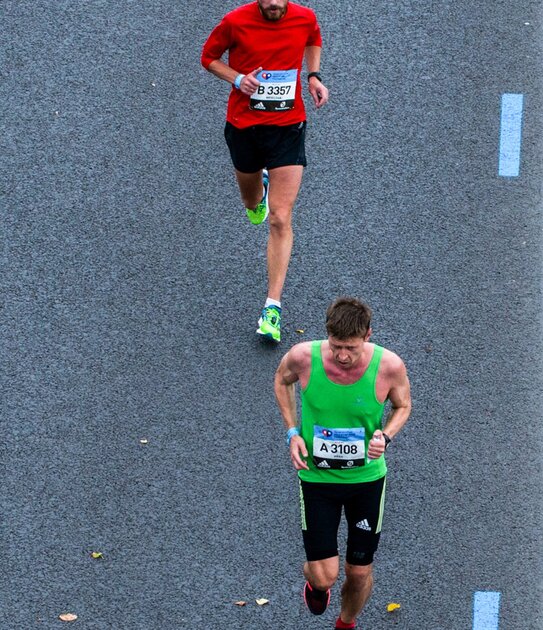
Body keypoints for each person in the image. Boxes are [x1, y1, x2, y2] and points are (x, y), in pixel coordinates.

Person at [273, 298, 412, 629]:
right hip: (317, 479)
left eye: (350, 347)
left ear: (367, 336)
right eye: (336, 347)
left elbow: (403, 405)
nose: (343, 356)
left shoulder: (389, 367)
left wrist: (386, 436)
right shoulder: (303, 358)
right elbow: (281, 380)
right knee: (325, 576)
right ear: (327, 336)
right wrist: (292, 431)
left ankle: (346, 623)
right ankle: (316, 585)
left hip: (366, 481)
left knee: (359, 571)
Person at [201, 0, 330, 342]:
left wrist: (314, 75)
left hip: (287, 127)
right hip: (244, 126)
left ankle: (272, 308)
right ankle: (257, 193)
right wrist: (238, 78)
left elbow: (313, 37)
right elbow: (208, 58)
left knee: (280, 218)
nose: (274, 4)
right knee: (252, 201)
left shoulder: (304, 17)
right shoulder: (234, 21)